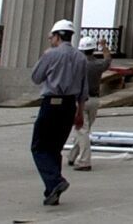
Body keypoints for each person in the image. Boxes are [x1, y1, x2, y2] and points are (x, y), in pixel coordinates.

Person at [29, 19, 88, 206]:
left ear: (57, 36)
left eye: (51, 37)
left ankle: (55, 181)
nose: (50, 40)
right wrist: (79, 113)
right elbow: (83, 89)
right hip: (70, 105)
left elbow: (36, 78)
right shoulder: (81, 57)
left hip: (51, 103)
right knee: (55, 148)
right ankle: (51, 191)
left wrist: (46, 60)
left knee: (38, 146)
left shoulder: (51, 54)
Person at [66, 36, 111, 171]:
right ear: (93, 50)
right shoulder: (98, 65)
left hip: (80, 101)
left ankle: (84, 161)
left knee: (82, 131)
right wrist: (103, 46)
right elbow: (108, 60)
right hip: (95, 100)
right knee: (84, 130)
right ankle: (72, 156)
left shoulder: (77, 65)